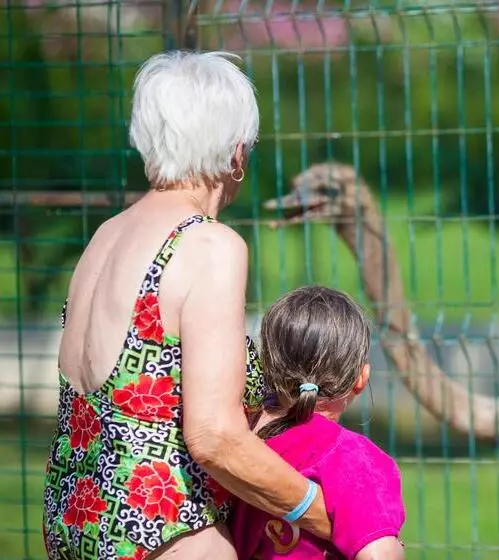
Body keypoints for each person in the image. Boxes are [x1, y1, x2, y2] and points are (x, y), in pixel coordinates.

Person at [42, 51, 330, 560]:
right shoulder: (208, 246)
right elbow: (214, 437)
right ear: (236, 154)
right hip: (160, 533)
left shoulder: (105, 236)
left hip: (76, 525)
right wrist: (324, 512)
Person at [230, 285, 406, 559]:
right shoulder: (355, 460)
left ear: (268, 366)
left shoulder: (239, 443)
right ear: (361, 378)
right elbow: (378, 555)